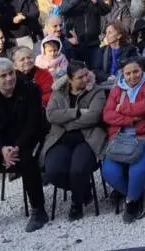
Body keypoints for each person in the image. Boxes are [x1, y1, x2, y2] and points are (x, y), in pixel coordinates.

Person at [0, 58, 48, 234]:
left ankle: (39, 210)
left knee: (28, 161)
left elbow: (34, 123)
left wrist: (17, 146)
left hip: (25, 139)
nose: (9, 78)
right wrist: (1, 149)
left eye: (11, 73)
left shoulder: (30, 90)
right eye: (3, 76)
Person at [43, 60, 107, 221]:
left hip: (87, 138)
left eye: (87, 75)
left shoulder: (96, 91)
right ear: (70, 79)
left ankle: (76, 204)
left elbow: (94, 116)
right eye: (80, 77)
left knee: (78, 170)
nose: (86, 79)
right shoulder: (58, 92)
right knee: (53, 171)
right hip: (61, 138)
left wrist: (65, 120)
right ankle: (84, 190)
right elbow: (51, 115)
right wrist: (77, 112)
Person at [101, 56, 145, 223]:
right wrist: (130, 119)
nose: (132, 76)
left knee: (138, 170)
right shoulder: (117, 90)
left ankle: (131, 202)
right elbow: (107, 115)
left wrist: (122, 109)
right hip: (120, 136)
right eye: (128, 73)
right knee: (109, 171)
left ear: (142, 71)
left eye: (136, 71)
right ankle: (136, 194)